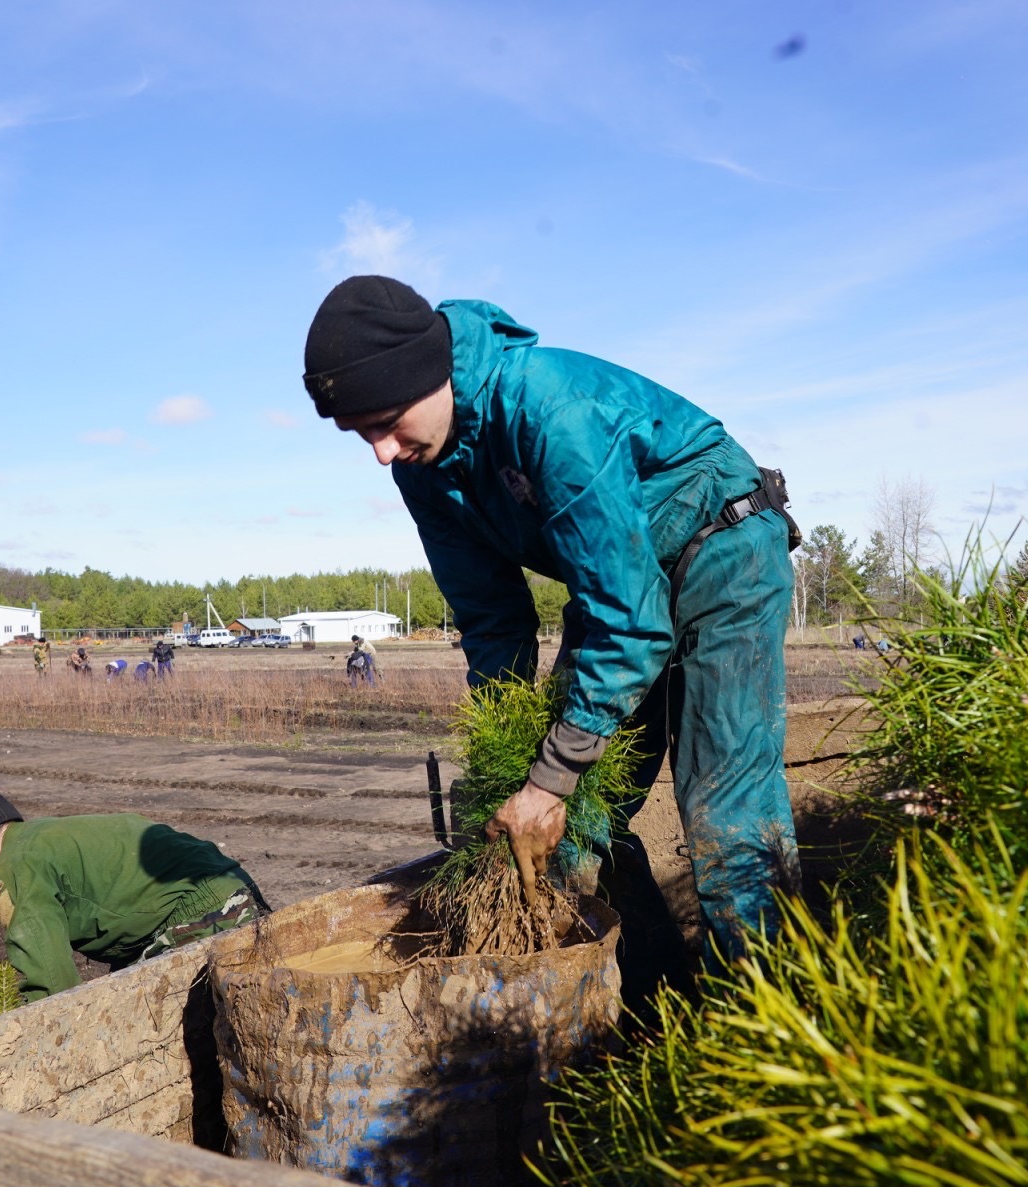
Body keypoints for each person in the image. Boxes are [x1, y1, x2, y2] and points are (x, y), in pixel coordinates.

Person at [303, 275, 802, 979]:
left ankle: (774, 1017)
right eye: (361, 435)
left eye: (387, 421)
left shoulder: (547, 409)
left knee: (724, 801)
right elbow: (490, 617)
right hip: (622, 582)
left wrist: (552, 775)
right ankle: (655, 997)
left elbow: (630, 621)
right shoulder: (421, 470)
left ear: (427, 376)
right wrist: (512, 766)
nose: (381, 451)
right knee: (579, 824)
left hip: (722, 550)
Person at [0, 790, 271, 1002]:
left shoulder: (16, 865)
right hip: (226, 888)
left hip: (205, 908)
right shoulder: (39, 839)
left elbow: (51, 982)